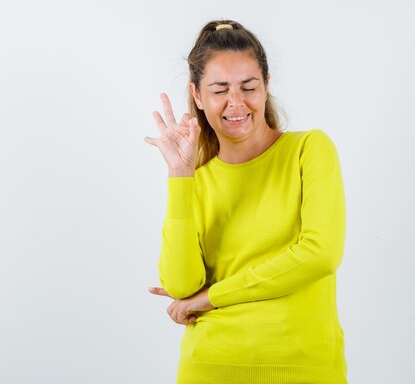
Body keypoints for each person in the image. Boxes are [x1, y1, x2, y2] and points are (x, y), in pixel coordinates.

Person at [144, 20, 348, 384]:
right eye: (219, 89)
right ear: (197, 95)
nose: (235, 102)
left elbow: (320, 253)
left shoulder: (309, 150)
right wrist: (180, 175)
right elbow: (180, 285)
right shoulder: (198, 179)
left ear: (266, 85)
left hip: (305, 369)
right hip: (209, 369)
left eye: (249, 86)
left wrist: (212, 297)